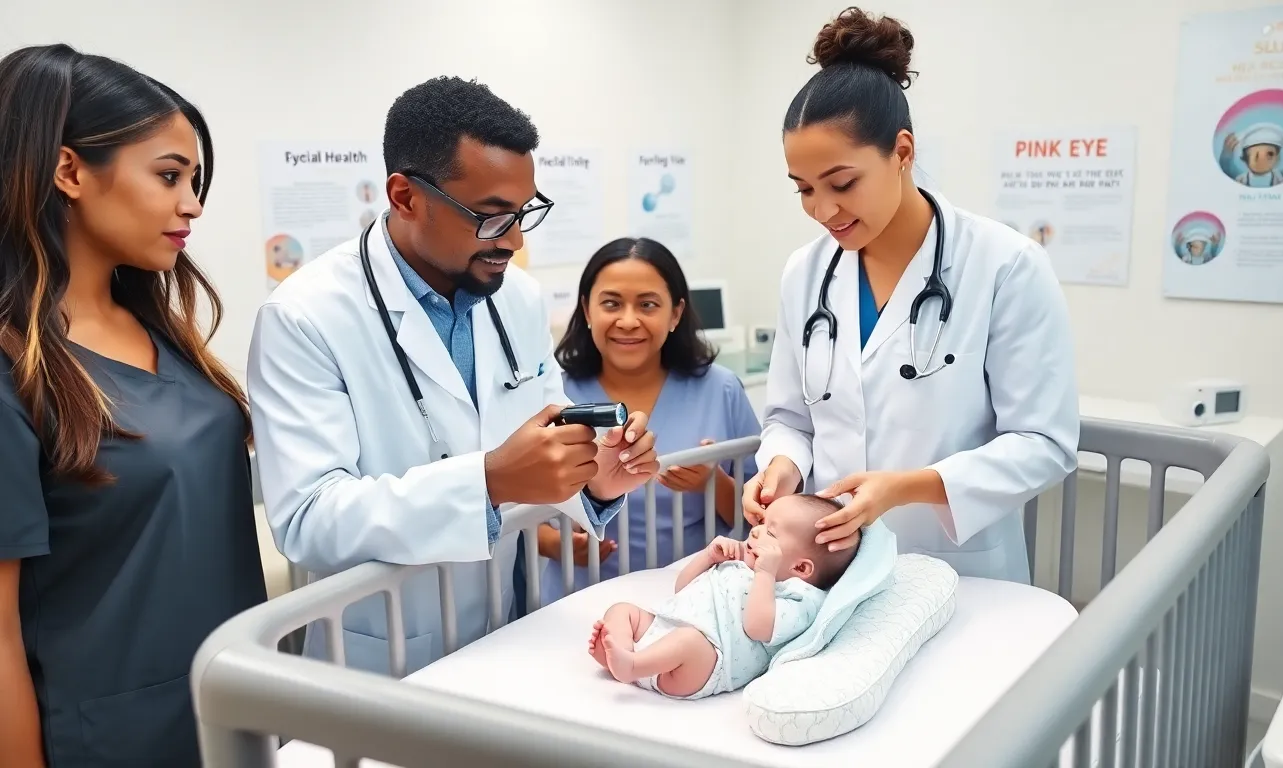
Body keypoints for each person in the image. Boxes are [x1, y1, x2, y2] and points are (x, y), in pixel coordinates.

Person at [246, 75, 658, 676]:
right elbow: (308, 518)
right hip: (383, 654)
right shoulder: (304, 317)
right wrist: (487, 482)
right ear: (406, 196)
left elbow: (548, 434)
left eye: (523, 212)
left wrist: (596, 475)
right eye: (491, 217)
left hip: (507, 628)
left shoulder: (517, 297)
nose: (513, 240)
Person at [744, 8, 1079, 584]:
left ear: (902, 152)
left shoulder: (1005, 265)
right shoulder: (806, 274)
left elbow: (1044, 443)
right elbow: (791, 419)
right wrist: (782, 464)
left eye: (842, 183)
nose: (822, 210)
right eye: (804, 189)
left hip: (960, 572)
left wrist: (907, 487)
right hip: (832, 573)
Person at [0, 45, 265, 766]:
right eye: (169, 176)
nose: (193, 204)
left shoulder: (163, 335)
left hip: (232, 711)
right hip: (111, 739)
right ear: (69, 171)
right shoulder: (17, 368)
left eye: (194, 181)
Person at [538, 238, 761, 604]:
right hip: (581, 605)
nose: (628, 321)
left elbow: (764, 515)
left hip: (695, 602)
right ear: (587, 309)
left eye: (647, 305)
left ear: (675, 313)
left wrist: (713, 483)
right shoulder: (553, 397)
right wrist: (555, 544)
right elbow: (512, 509)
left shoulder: (721, 389)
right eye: (611, 303)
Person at [592, 494, 851, 699]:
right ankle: (622, 654)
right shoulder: (740, 563)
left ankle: (634, 666)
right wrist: (708, 557)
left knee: (689, 640)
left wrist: (765, 574)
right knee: (622, 610)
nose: (755, 531)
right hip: (665, 630)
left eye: (771, 533)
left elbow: (757, 627)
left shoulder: (800, 598)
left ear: (801, 568)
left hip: (705, 664)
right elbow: (681, 589)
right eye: (761, 523)